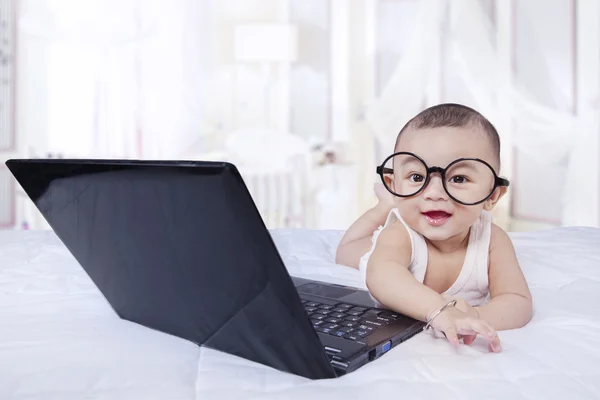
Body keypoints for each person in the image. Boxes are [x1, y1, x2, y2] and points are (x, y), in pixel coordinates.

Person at [335, 103, 532, 353]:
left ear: (492, 195)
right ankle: (384, 206)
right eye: (417, 178)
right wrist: (438, 310)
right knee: (347, 251)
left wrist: (475, 317)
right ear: (393, 182)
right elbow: (381, 276)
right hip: (375, 254)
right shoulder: (399, 234)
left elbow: (518, 300)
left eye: (458, 179)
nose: (435, 193)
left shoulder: (493, 239)